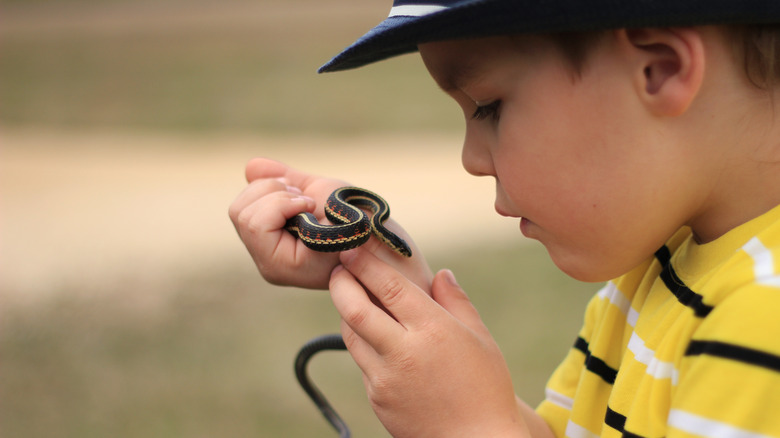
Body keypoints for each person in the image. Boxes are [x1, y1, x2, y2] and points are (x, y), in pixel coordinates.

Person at [229, 1, 780, 436]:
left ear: (659, 68)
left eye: (489, 106)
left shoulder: (764, 322)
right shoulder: (657, 268)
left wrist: (469, 431)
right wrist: (389, 277)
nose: (470, 159)